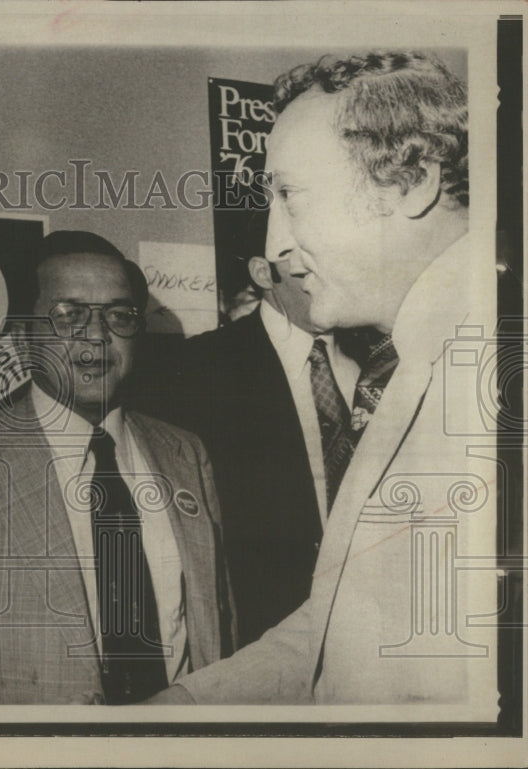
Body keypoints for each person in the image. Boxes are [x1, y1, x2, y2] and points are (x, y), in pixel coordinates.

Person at [149, 52, 498, 707]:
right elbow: (346, 617)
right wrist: (188, 703)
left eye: (289, 196)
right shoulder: (408, 365)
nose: (274, 244)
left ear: (411, 181)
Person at [0, 231, 235, 705]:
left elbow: (219, 635)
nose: (96, 335)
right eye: (68, 315)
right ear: (21, 335)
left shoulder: (186, 454)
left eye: (119, 315)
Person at [137, 250, 359, 648]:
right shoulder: (194, 371)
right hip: (259, 638)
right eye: (305, 259)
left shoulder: (386, 363)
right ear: (262, 272)